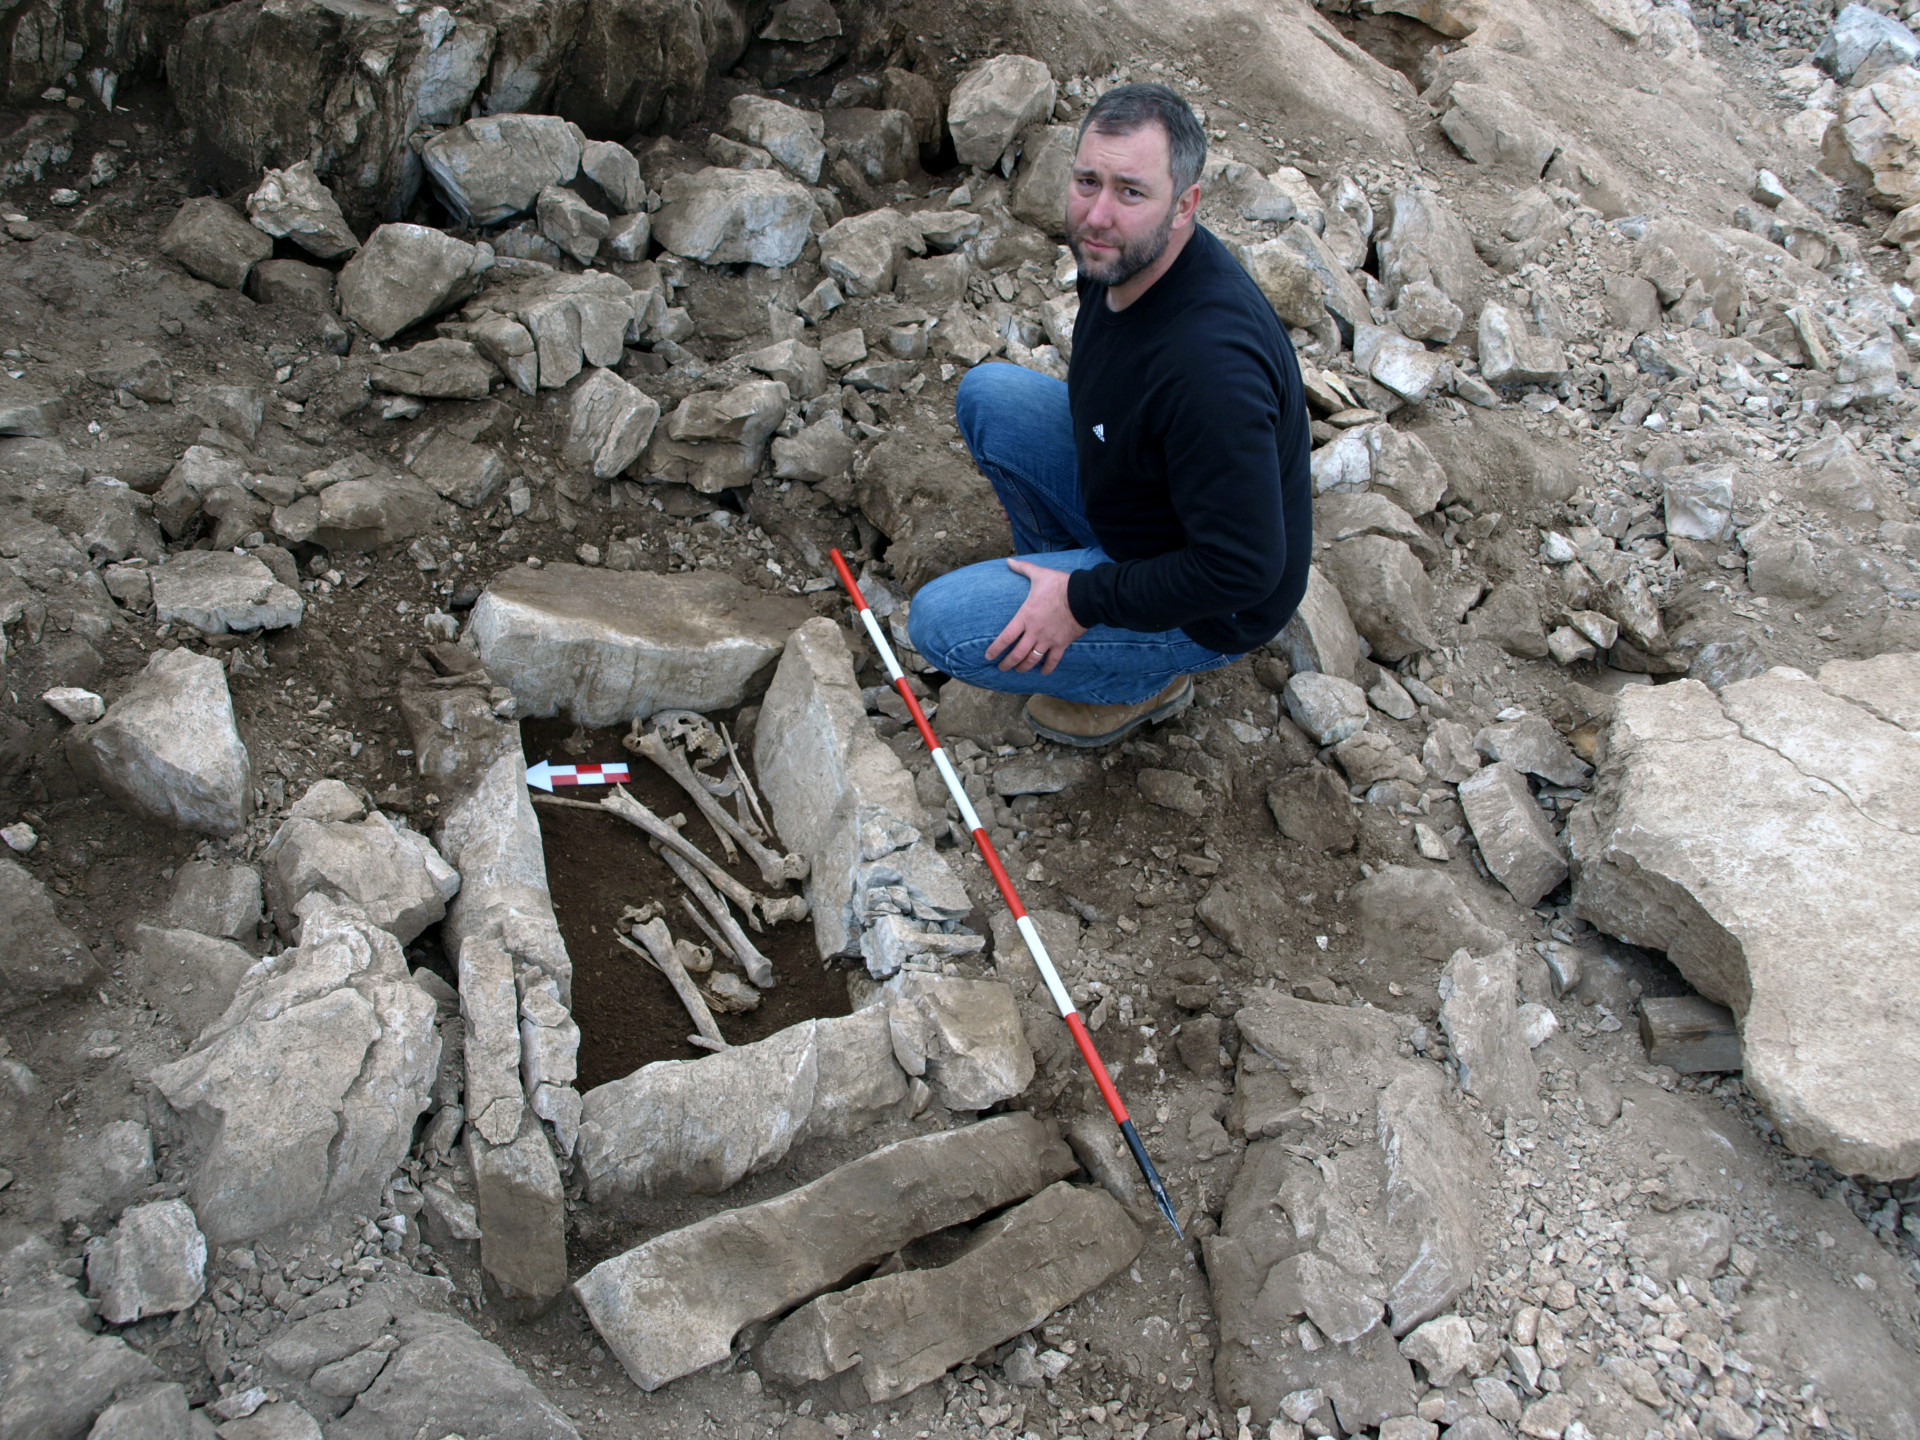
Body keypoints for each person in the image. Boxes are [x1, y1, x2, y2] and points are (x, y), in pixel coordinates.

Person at [905, 82, 1314, 748]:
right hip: (1154, 513)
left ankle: (1131, 680)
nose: (1096, 215)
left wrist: (1081, 601)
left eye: (1130, 192)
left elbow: (1243, 570)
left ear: (1185, 205)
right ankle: (1060, 588)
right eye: (1087, 181)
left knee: (940, 624)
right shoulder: (1122, 257)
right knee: (991, 396)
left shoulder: (1211, 371)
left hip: (1213, 605)